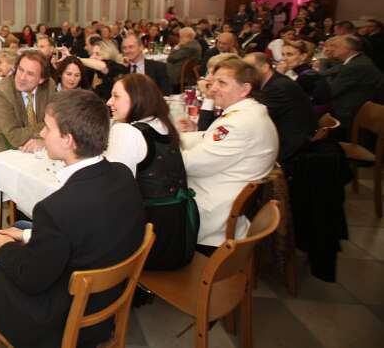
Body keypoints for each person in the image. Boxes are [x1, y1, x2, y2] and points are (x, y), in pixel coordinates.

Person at [0, 90, 145, 345]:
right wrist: (28, 235)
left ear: (68, 139)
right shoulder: (122, 174)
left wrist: (5, 249)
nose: (42, 134)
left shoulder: (56, 208)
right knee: (20, 226)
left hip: (59, 316)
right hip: (103, 296)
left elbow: (30, 279)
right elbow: (80, 230)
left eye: (48, 128)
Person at [178, 58, 278, 251]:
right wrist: (175, 139)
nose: (213, 88)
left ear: (244, 89)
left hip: (213, 212)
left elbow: (190, 164)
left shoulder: (238, 122)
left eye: (222, 83)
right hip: (228, 193)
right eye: (213, 81)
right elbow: (207, 137)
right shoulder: (249, 112)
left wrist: (161, 149)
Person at [105, 74, 198, 270]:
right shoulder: (162, 124)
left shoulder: (127, 132)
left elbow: (112, 190)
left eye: (116, 96)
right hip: (178, 234)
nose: (109, 101)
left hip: (151, 243)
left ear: (138, 98)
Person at [0, 50, 57, 172]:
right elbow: (13, 137)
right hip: (0, 150)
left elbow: (58, 119)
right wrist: (46, 130)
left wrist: (43, 141)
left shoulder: (49, 85)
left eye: (30, 74)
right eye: (20, 70)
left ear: (41, 79)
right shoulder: (1, 92)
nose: (22, 78)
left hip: (33, 148)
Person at [244, 53, 317, 164]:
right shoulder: (273, 82)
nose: (244, 74)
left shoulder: (278, 87)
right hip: (287, 138)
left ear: (264, 68)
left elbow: (255, 120)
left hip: (290, 148)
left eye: (249, 68)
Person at [324, 35, 384, 133]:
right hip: (356, 105)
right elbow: (331, 73)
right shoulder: (357, 59)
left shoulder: (356, 65)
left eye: (336, 46)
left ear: (349, 49)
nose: (330, 49)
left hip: (351, 112)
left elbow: (330, 91)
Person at [275, 39, 331, 114]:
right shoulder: (305, 73)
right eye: (283, 54)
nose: (284, 59)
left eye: (289, 54)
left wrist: (279, 74)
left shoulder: (308, 77)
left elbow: (279, 98)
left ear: (303, 56)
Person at [166, 27, 202, 92]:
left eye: (181, 37)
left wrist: (178, 46)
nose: (179, 39)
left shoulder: (189, 47)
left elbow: (171, 58)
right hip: (183, 72)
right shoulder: (194, 44)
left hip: (178, 74)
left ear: (189, 36)